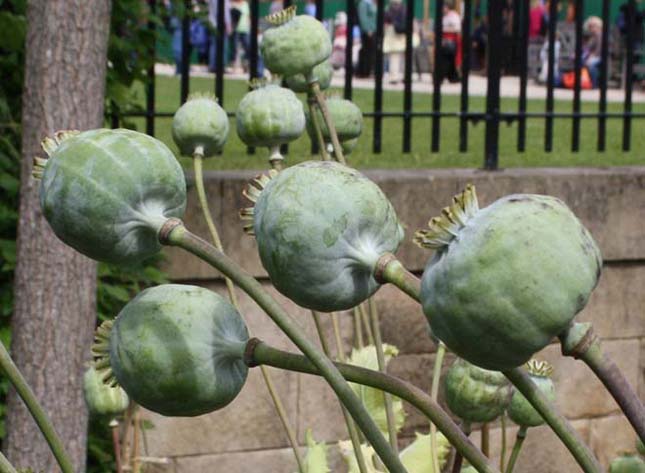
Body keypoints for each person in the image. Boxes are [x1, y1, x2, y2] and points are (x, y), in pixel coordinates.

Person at [383, 0, 407, 83]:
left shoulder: (389, 9)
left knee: (394, 56)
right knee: (404, 56)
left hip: (393, 32)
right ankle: (405, 76)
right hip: (403, 33)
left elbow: (385, 21)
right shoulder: (405, 8)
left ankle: (394, 77)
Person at [437, 0, 461, 83]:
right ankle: (453, 77)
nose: (443, 9)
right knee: (448, 58)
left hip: (451, 40)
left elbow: (457, 29)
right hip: (443, 39)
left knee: (446, 56)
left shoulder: (454, 16)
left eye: (444, 7)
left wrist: (444, 29)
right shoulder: (444, 16)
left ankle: (440, 76)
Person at [208, 0, 232, 73]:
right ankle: (221, 66)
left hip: (212, 23)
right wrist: (228, 24)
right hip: (221, 24)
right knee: (223, 46)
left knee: (214, 45)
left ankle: (213, 66)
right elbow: (225, 11)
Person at [229, 0, 251, 72]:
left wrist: (249, 26)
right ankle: (234, 67)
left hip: (245, 29)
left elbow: (248, 16)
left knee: (248, 48)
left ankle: (246, 65)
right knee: (234, 48)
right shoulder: (231, 3)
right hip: (235, 29)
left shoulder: (245, 4)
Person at [357, 0, 377, 77]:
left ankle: (368, 71)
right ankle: (364, 72)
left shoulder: (371, 3)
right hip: (368, 32)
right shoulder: (363, 3)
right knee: (366, 52)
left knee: (371, 52)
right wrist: (367, 29)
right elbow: (363, 18)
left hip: (373, 31)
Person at [582, 16, 603, 88]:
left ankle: (594, 84)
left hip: (600, 57)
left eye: (594, 26)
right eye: (590, 26)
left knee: (590, 65)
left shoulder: (600, 35)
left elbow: (599, 49)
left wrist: (592, 55)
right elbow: (587, 48)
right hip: (592, 56)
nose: (592, 28)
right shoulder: (592, 36)